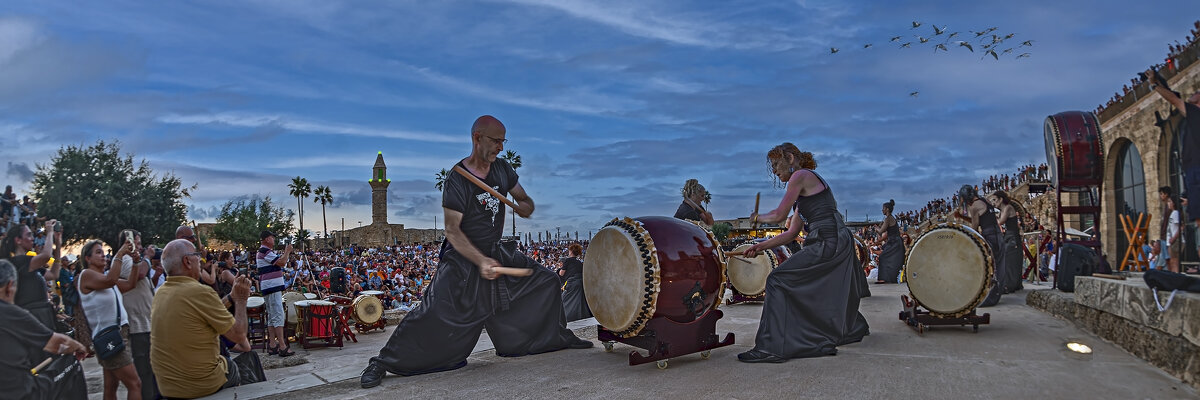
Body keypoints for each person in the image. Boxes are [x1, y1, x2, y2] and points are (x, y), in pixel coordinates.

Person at [360, 115, 591, 388]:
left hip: (498, 252)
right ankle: (382, 362)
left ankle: (557, 335)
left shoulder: (502, 169)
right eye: (496, 141)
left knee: (547, 281)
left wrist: (525, 204)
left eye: (504, 142)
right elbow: (453, 231)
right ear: (477, 138)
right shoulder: (457, 179)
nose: (501, 148)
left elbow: (522, 197)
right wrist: (480, 260)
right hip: (463, 258)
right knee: (430, 312)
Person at [739, 142, 869, 363]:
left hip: (829, 240)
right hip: (833, 240)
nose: (774, 171)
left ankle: (772, 347)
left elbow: (779, 215)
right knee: (796, 283)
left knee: (778, 281)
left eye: (775, 164)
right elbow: (790, 233)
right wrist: (760, 246)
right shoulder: (804, 194)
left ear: (790, 158)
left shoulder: (800, 175)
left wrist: (757, 218)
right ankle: (816, 332)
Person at [152, 239, 258, 399]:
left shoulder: (160, 293)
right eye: (197, 255)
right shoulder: (199, 292)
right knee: (243, 362)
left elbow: (203, 313)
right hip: (198, 385)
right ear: (187, 261)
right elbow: (239, 335)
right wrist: (242, 299)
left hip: (168, 386)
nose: (201, 260)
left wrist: (231, 297)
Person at [0, 259, 89, 400]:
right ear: (10, 286)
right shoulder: (12, 313)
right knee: (71, 363)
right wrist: (78, 347)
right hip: (22, 393)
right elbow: (57, 344)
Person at [77, 239, 142, 400]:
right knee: (135, 384)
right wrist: (120, 254)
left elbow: (130, 284)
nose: (104, 256)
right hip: (109, 336)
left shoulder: (104, 278)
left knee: (111, 386)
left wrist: (135, 263)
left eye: (104, 252)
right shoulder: (86, 275)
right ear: (87, 258)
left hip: (117, 334)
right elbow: (111, 281)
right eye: (98, 252)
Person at [1146, 69, 1200, 232]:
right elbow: (1173, 96)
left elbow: (1174, 100)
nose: (1193, 93)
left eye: (1197, 92)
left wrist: (1155, 85)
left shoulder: (1196, 114)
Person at [115, 230, 159, 400]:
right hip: (137, 328)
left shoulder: (135, 260)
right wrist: (147, 257)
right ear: (128, 243)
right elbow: (139, 274)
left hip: (147, 324)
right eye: (138, 244)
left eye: (141, 244)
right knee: (144, 374)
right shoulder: (125, 260)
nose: (140, 248)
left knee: (152, 371)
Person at [0, 220, 63, 331]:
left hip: (40, 317)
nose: (32, 238)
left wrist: (58, 245)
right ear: (18, 240)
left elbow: (54, 274)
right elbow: (46, 256)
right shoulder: (18, 262)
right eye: (29, 235)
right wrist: (49, 232)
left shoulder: (30, 264)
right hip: (33, 318)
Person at [954, 185, 1005, 307]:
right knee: (999, 265)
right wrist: (961, 216)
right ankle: (997, 294)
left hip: (990, 236)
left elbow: (975, 227)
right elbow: (980, 219)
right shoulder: (985, 200)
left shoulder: (973, 206)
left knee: (991, 267)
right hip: (998, 235)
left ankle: (991, 298)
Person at [255, 231, 294, 357]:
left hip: (269, 287)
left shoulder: (264, 251)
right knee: (278, 315)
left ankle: (272, 345)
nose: (274, 239)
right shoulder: (265, 251)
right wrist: (287, 251)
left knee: (272, 317)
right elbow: (282, 263)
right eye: (272, 237)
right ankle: (282, 346)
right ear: (267, 239)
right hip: (272, 288)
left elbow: (279, 262)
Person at [994, 191, 1024, 293]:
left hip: (1013, 237)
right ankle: (1011, 284)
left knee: (1010, 260)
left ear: (1001, 199)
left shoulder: (1008, 207)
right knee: (1008, 260)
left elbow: (1001, 222)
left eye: (995, 200)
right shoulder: (1002, 210)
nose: (994, 203)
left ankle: (1010, 285)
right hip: (1008, 236)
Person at [558, 243, 591, 321]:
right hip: (580, 283)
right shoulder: (579, 263)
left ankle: (562, 318)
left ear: (571, 251)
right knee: (579, 303)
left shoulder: (568, 260)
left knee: (563, 301)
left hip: (571, 283)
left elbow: (561, 273)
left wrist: (560, 269)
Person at [875, 200, 904, 284]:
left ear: (887, 209)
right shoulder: (890, 218)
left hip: (894, 242)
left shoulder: (888, 218)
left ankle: (884, 278)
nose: (882, 210)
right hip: (894, 241)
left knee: (883, 257)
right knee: (892, 260)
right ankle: (888, 278)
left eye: (883, 208)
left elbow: (881, 231)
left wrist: (876, 228)